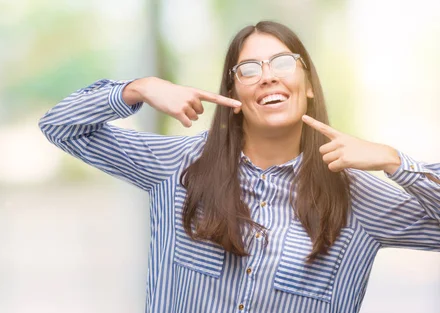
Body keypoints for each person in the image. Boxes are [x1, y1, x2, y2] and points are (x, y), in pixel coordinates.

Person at [38, 21, 440, 313]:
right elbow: (60, 126)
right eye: (249, 70)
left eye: (282, 63)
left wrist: (394, 160)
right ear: (232, 92)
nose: (267, 78)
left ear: (309, 83)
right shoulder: (177, 166)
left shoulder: (355, 194)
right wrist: (137, 88)